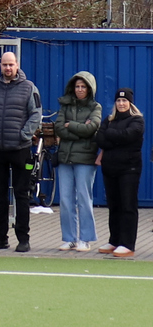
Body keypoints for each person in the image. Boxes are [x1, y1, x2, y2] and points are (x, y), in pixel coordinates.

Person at [0, 52, 41, 253]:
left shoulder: (29, 87)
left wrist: (24, 135)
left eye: (11, 64)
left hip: (20, 150)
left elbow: (36, 114)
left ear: (17, 65)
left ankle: (23, 238)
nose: (7, 68)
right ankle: (0, 237)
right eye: (4, 64)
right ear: (0, 65)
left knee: (21, 194)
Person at [53, 72, 101, 253]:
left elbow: (91, 128)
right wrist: (79, 130)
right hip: (65, 158)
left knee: (84, 198)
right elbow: (59, 127)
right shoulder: (65, 105)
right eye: (77, 86)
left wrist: (70, 125)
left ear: (89, 89)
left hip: (85, 159)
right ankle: (69, 238)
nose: (80, 90)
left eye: (83, 87)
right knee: (65, 200)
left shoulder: (95, 107)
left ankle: (86, 238)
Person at [95, 88, 145, 258]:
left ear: (130, 103)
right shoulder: (109, 119)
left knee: (127, 206)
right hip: (110, 169)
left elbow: (129, 136)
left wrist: (110, 135)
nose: (121, 103)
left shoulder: (137, 120)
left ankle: (127, 244)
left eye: (124, 101)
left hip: (129, 169)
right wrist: (116, 139)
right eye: (118, 101)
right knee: (114, 206)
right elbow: (100, 139)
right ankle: (114, 240)